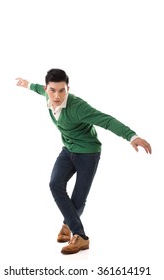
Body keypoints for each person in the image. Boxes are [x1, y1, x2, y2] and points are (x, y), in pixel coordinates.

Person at [16, 69, 152, 255]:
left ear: (68, 89)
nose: (57, 95)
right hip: (68, 150)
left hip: (88, 153)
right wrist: (26, 84)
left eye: (62, 90)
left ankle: (80, 238)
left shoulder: (78, 107)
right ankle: (70, 227)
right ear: (47, 88)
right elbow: (37, 88)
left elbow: (107, 120)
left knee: (78, 198)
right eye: (52, 90)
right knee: (55, 183)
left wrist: (132, 136)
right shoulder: (46, 94)